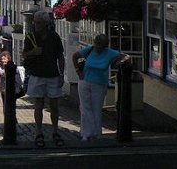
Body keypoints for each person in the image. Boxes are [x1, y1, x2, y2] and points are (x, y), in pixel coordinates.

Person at [72, 34, 130, 141]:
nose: (99, 47)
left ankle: (96, 133)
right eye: (98, 44)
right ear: (95, 42)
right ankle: (85, 134)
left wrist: (121, 61)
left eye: (102, 45)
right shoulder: (89, 50)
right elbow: (75, 56)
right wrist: (78, 71)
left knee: (96, 108)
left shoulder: (109, 53)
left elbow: (125, 56)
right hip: (84, 81)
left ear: (105, 45)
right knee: (85, 108)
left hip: (99, 84)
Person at [23, 11, 65, 148]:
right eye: (35, 22)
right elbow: (24, 54)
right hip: (37, 74)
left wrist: (61, 74)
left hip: (52, 74)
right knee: (38, 105)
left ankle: (55, 131)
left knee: (54, 106)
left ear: (46, 23)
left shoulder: (54, 37)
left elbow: (60, 56)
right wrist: (33, 52)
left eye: (38, 22)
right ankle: (38, 132)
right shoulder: (30, 37)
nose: (35, 24)